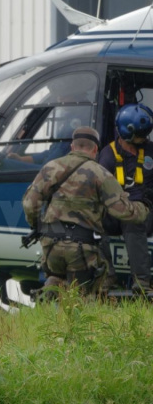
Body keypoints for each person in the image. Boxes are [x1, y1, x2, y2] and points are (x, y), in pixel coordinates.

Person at [22, 127, 150, 296]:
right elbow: (124, 212)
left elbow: (29, 204)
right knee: (85, 296)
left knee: (58, 283)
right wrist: (145, 206)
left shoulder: (50, 168)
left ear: (72, 147)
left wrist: (37, 226)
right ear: (95, 150)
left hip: (51, 248)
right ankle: (91, 290)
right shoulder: (101, 173)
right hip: (81, 251)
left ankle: (53, 288)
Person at [97, 103, 153, 291]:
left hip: (144, 210)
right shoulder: (107, 156)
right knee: (93, 221)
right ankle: (107, 277)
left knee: (133, 219)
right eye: (139, 136)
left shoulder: (150, 151)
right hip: (115, 210)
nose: (143, 140)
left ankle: (142, 283)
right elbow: (99, 190)